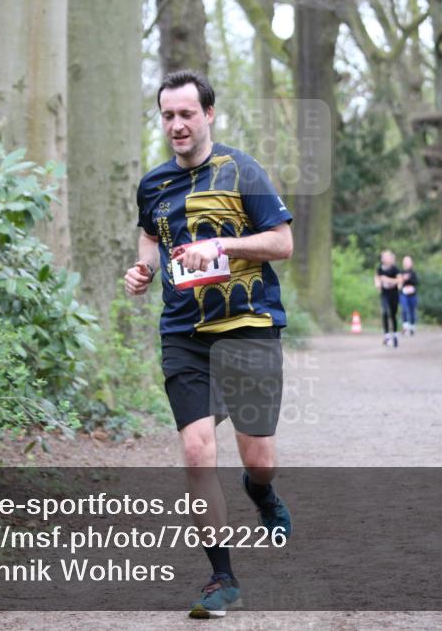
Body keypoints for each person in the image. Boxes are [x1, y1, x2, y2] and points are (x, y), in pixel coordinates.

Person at [124, 70, 293, 619]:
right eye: (168, 116)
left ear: (209, 115)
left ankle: (261, 492)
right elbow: (153, 234)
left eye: (186, 114)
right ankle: (221, 578)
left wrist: (222, 243)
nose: (177, 125)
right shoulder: (153, 184)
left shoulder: (243, 170)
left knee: (258, 458)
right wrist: (144, 269)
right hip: (184, 333)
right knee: (197, 451)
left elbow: (282, 242)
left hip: (248, 325)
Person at [374, 250, 401, 347]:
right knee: (385, 312)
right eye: (383, 257)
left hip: (394, 294)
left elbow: (399, 280)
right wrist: (377, 283)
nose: (384, 259)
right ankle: (386, 335)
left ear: (390, 258)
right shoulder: (380, 268)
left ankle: (394, 333)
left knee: (393, 315)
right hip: (384, 294)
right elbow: (377, 277)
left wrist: (387, 279)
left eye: (386, 257)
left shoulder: (395, 269)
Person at [398, 255, 419, 336]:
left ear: (411, 263)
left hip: (412, 295)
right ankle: (405, 326)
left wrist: (409, 280)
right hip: (403, 294)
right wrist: (403, 279)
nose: (406, 263)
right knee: (404, 308)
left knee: (412, 310)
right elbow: (398, 282)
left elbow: (417, 282)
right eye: (405, 262)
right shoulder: (400, 272)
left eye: (408, 262)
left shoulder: (413, 273)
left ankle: (412, 326)